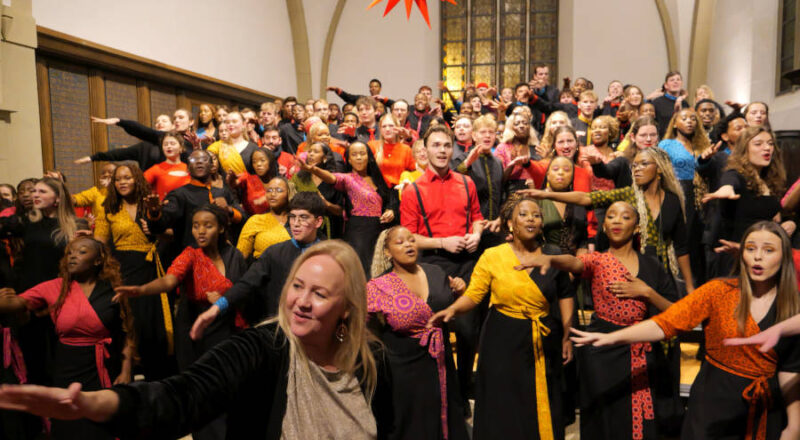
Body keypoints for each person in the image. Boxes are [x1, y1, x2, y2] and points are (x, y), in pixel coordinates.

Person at [0, 240, 395, 440]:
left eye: (320, 294)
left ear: (347, 308)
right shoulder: (260, 348)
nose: (301, 302)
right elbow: (183, 395)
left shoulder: (370, 363)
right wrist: (98, 403)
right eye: (296, 286)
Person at [572, 221, 800, 440]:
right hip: (711, 404)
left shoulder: (793, 308)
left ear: (784, 257)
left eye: (768, 250)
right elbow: (667, 322)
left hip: (763, 410)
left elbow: (791, 369)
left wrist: (794, 424)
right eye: (750, 249)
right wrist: (611, 337)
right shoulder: (719, 291)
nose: (758, 256)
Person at [518, 201, 677, 439]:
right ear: (603, 226)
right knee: (603, 419)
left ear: (637, 227)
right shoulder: (598, 260)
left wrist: (647, 293)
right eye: (611, 216)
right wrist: (552, 260)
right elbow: (575, 262)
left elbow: (677, 312)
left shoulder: (652, 266)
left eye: (625, 217)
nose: (616, 221)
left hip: (641, 350)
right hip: (601, 351)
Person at [428, 194, 575, 439]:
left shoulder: (553, 254)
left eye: (536, 215)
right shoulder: (493, 256)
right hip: (501, 337)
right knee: (503, 398)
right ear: (510, 224)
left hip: (542, 337)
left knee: (539, 396)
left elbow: (566, 293)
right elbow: (474, 295)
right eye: (523, 214)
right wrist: (453, 309)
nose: (531, 219)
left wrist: (567, 335)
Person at [113, 205, 246, 440]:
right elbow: (169, 280)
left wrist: (226, 299)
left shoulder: (235, 256)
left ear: (221, 228)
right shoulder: (190, 254)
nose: (200, 231)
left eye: (208, 226)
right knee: (200, 391)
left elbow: (244, 291)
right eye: (196, 226)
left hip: (225, 329)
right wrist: (142, 290)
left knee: (225, 388)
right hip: (194, 330)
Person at [0, 236, 135, 440]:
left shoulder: (112, 289)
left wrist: (126, 370)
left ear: (98, 260)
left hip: (104, 365)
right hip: (67, 366)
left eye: (82, 252)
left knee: (101, 426)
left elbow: (128, 332)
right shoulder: (54, 287)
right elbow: (17, 303)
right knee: (68, 424)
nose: (73, 256)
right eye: (70, 252)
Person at [520, 146, 693, 292]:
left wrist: (689, 285)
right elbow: (585, 198)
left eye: (644, 164)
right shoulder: (628, 194)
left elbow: (681, 248)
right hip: (632, 271)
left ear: (660, 168)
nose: (637, 169)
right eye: (634, 165)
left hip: (663, 272)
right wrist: (545, 195)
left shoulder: (673, 201)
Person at [367, 226, 470, 440]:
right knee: (411, 421)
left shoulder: (436, 272)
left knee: (444, 411)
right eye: (400, 242)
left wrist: (460, 292)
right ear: (387, 252)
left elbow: (451, 310)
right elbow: (364, 327)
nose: (408, 245)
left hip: (440, 360)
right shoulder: (378, 286)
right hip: (403, 367)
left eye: (411, 240)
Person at [193, 192, 326, 328]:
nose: (296, 224)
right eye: (292, 217)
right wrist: (218, 307)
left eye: (303, 218)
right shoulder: (274, 253)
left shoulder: (329, 255)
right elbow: (247, 283)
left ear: (318, 222)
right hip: (280, 326)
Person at [94, 161, 174, 381]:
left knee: (151, 319)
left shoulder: (150, 203)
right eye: (118, 179)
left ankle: (155, 374)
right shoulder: (108, 207)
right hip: (121, 269)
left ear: (137, 179)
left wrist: (157, 230)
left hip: (150, 267)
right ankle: (128, 369)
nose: (122, 182)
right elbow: (100, 241)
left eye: (127, 178)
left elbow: (170, 234)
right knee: (129, 319)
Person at [0, 177, 77, 386]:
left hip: (60, 293)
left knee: (60, 349)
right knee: (32, 350)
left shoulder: (74, 224)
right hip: (29, 292)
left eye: (42, 192)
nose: (34, 195)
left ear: (57, 198)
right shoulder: (26, 221)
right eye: (34, 191)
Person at [296, 141, 396, 276]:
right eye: (354, 155)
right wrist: (313, 170)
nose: (359, 157)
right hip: (358, 233)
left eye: (362, 154)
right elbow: (332, 178)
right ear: (349, 160)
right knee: (361, 273)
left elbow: (389, 199)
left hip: (379, 232)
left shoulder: (377, 179)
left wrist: (390, 210)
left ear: (369, 157)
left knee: (380, 272)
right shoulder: (348, 179)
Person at [702, 126, 787, 277]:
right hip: (734, 257)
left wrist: (790, 223)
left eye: (770, 143)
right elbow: (730, 179)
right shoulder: (736, 174)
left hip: (762, 256)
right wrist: (727, 188)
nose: (767, 148)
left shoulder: (770, 179)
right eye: (758, 144)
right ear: (744, 149)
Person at [145, 149, 244, 253]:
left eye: (204, 159)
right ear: (188, 168)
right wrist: (155, 213)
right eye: (194, 159)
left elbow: (244, 218)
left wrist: (229, 210)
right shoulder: (179, 194)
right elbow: (158, 228)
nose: (199, 161)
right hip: (190, 255)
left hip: (221, 254)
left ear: (212, 167)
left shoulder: (223, 192)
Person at [74, 114, 173, 171]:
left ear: (172, 126)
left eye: (164, 121)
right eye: (157, 122)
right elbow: (120, 154)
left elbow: (141, 130)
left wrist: (119, 121)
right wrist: (93, 158)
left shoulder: (177, 143)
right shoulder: (144, 146)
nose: (160, 123)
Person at [290, 142, 344, 239]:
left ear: (325, 158)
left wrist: (326, 204)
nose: (311, 154)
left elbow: (340, 211)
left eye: (315, 152)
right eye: (310, 151)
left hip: (331, 228)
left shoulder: (334, 179)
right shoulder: (298, 178)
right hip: (304, 227)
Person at [236, 177, 292, 260]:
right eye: (269, 190)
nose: (272, 194)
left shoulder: (297, 219)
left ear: (289, 194)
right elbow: (240, 257)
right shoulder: (256, 220)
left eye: (279, 190)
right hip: (262, 266)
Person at [369, 114, 417, 187]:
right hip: (377, 189)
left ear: (398, 128)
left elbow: (414, 171)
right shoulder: (372, 146)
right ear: (380, 129)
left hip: (398, 189)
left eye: (391, 126)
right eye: (384, 126)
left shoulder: (406, 149)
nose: (387, 129)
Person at [143, 131, 190, 200]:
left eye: (172, 144)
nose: (169, 146)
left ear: (181, 148)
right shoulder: (157, 169)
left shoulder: (189, 169)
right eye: (165, 144)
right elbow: (140, 185)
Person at [233, 149, 279, 216]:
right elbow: (235, 183)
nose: (258, 164)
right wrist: (232, 182)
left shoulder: (279, 183)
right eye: (254, 162)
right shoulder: (248, 178)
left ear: (270, 161)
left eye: (262, 160)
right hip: (253, 220)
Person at [651, 71, 689, 136]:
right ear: (666, 85)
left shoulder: (685, 103)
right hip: (663, 138)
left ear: (681, 84)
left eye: (678, 79)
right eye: (672, 80)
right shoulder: (656, 103)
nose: (675, 82)